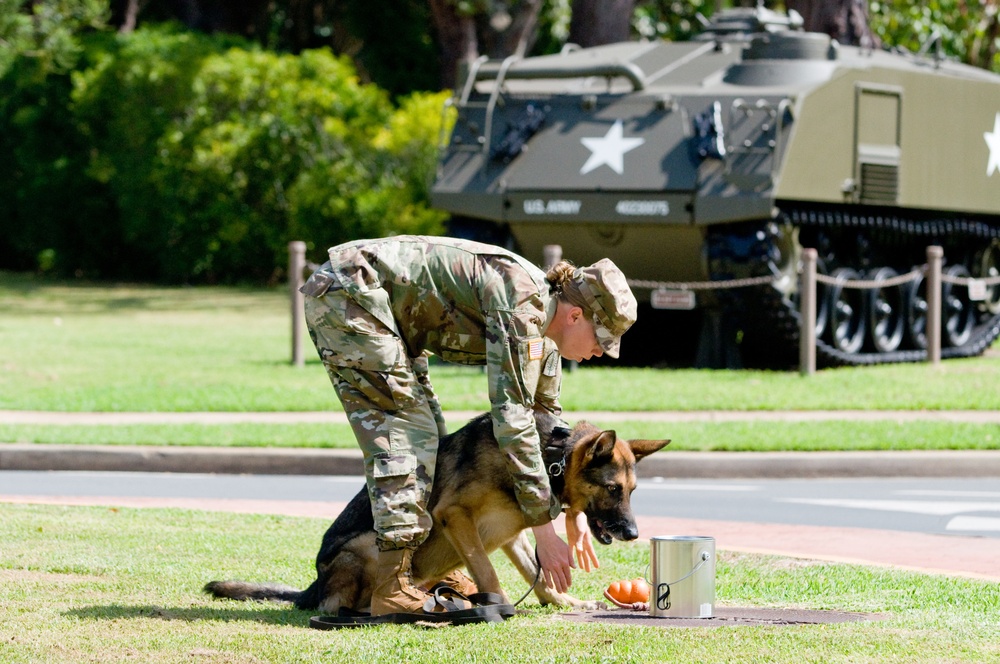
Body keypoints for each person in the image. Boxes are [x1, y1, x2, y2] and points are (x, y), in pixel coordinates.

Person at [301, 235, 637, 618]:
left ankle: (424, 571)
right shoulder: (523, 308)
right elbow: (512, 420)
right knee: (407, 437)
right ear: (575, 315)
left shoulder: (545, 340)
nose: (600, 352)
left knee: (434, 446)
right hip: (351, 292)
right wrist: (545, 529)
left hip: (392, 319)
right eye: (601, 339)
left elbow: (545, 427)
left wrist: (573, 511)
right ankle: (392, 586)